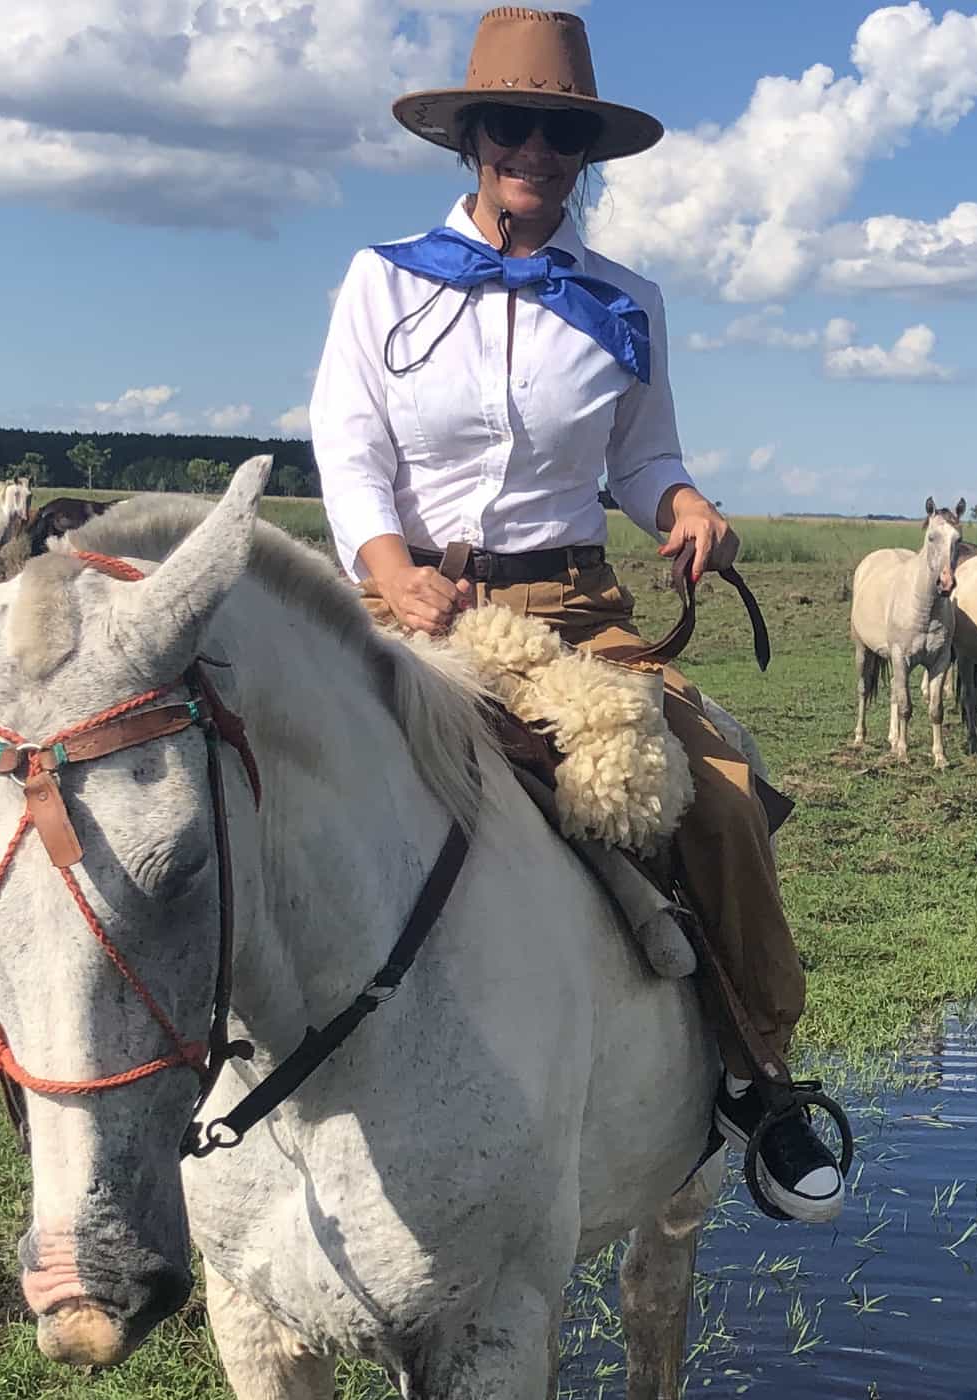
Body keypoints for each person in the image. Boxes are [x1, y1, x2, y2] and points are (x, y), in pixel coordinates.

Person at [307, 6, 842, 1224]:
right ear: (470, 137)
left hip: (569, 603)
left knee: (708, 788)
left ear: (584, 154)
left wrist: (687, 503)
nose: (535, 152)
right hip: (406, 595)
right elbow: (348, 452)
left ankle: (761, 1078)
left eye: (560, 134)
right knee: (265, 766)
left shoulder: (624, 302)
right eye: (514, 126)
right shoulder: (380, 282)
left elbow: (644, 456)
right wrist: (390, 570)